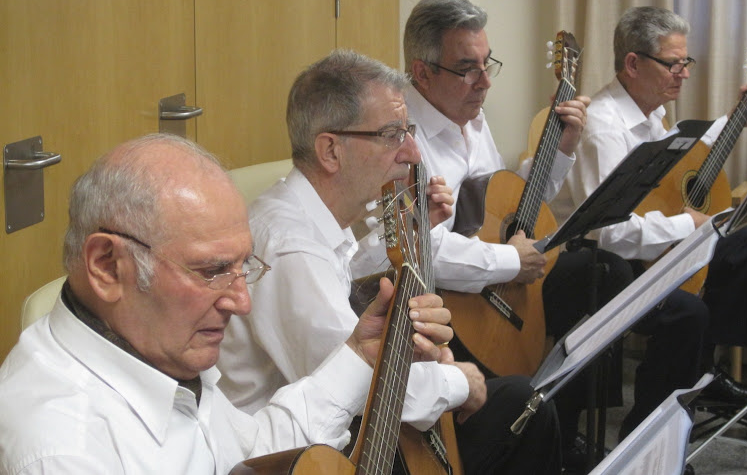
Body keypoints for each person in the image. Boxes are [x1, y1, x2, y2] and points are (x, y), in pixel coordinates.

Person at [0, 134, 454, 474]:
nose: (241, 301)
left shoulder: (148, 344)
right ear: (107, 266)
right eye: (212, 270)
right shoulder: (62, 450)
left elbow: (248, 454)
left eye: (243, 266)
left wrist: (362, 354)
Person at [217, 49, 562, 475]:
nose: (413, 152)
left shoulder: (312, 217)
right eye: (393, 134)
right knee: (523, 404)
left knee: (513, 399)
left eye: (408, 131)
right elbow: (365, 387)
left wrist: (411, 233)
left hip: (337, 428)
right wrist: (460, 381)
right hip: (293, 457)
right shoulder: (291, 247)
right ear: (330, 151)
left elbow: (349, 275)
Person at [347, 0, 634, 469]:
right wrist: (510, 261)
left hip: (492, 287)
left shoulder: (472, 117)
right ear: (422, 73)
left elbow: (503, 205)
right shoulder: (399, 137)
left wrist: (560, 148)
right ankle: (522, 431)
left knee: (603, 273)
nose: (484, 82)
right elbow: (417, 247)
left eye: (487, 64)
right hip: (441, 304)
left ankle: (565, 428)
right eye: (467, 69)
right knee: (524, 386)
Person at [550, 6, 747, 439]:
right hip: (598, 263)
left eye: (685, 62)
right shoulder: (605, 128)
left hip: (641, 247)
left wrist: (735, 120)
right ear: (633, 64)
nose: (684, 73)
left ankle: (704, 367)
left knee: (746, 237)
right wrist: (688, 226)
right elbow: (608, 232)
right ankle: (644, 436)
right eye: (673, 64)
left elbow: (680, 157)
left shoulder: (650, 113)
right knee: (687, 313)